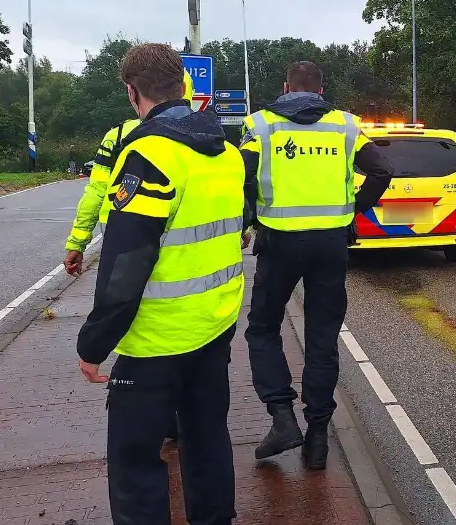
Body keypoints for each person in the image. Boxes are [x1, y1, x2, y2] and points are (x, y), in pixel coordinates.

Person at [76, 43, 246, 524]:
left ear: (133, 93)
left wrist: (94, 343)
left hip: (155, 341)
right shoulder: (225, 153)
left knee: (135, 465)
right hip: (214, 326)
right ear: (182, 84)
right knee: (208, 440)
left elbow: (126, 263)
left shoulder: (149, 156)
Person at [240, 61, 393, 467]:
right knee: (323, 339)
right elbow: (382, 170)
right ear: (321, 91)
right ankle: (318, 439)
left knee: (262, 329)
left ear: (286, 86)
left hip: (279, 243)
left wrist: (249, 216)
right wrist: (352, 211)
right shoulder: (345, 126)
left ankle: (281, 416)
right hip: (331, 243)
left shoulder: (261, 124)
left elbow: (244, 176)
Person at [63, 70, 195, 275]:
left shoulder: (118, 137)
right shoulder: (210, 140)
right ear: (186, 91)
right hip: (190, 255)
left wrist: (77, 242)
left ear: (132, 93)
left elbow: (97, 191)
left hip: (122, 247)